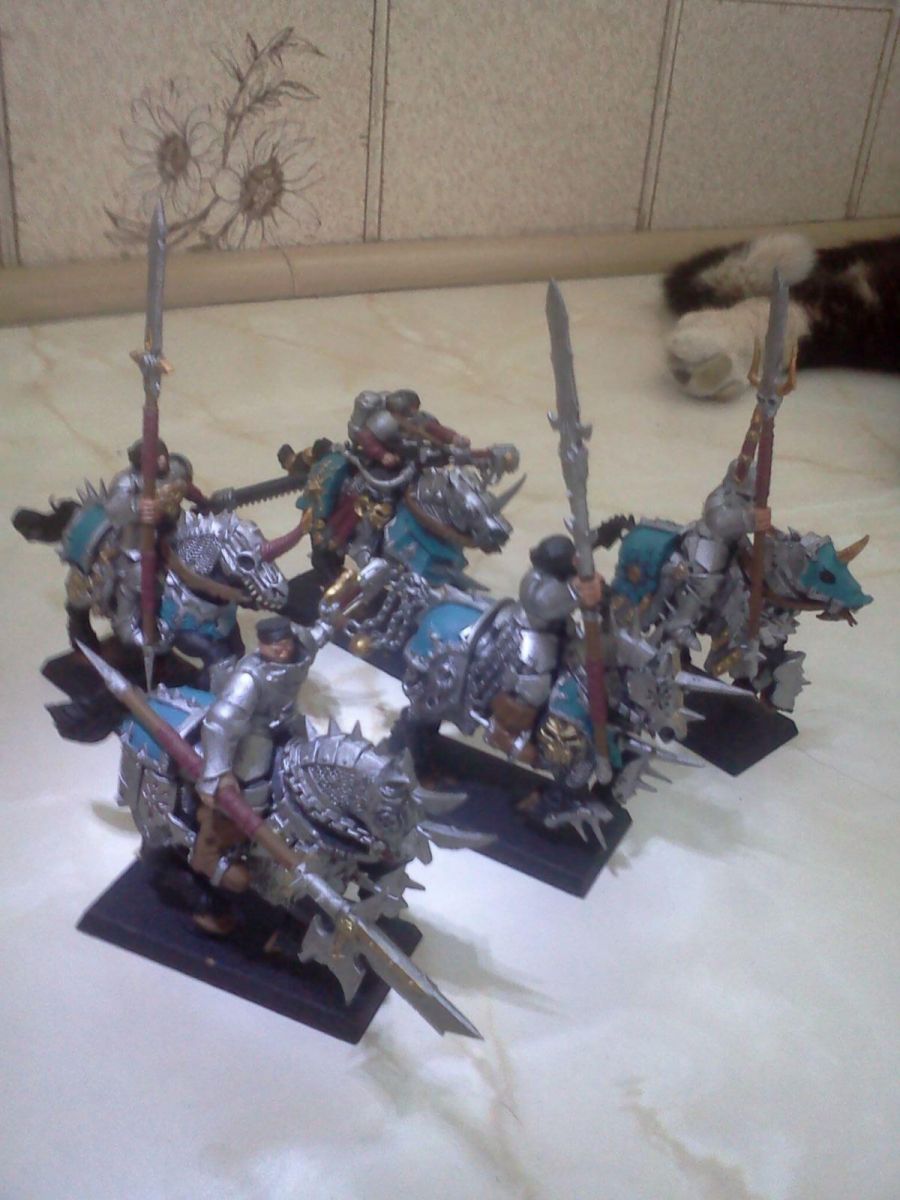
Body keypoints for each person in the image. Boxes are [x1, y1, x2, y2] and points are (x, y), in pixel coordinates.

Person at [189, 615, 328, 908]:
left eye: (286, 643)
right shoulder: (250, 677)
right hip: (254, 734)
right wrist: (217, 774)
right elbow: (220, 723)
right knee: (250, 793)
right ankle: (208, 851)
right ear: (262, 646)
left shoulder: (300, 655)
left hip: (289, 725)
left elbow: (317, 637)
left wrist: (333, 622)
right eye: (275, 645)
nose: (282, 650)